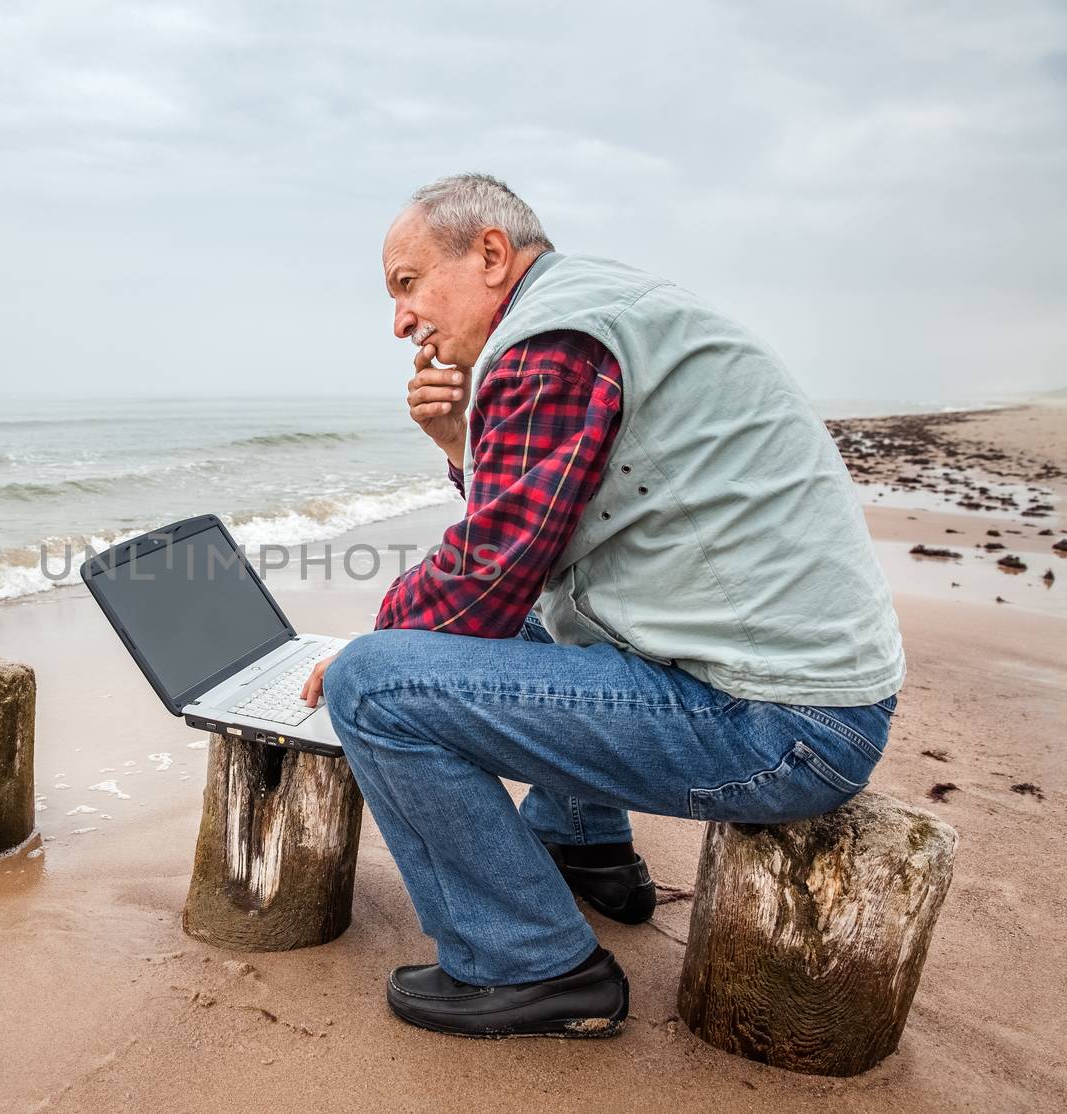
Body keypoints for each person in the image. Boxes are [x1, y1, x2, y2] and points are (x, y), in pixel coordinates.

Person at [299, 172, 904, 1039]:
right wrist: (459, 442)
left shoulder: (549, 341)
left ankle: (529, 963)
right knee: (532, 624)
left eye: (407, 283)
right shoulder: (591, 311)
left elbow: (488, 571)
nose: (400, 319)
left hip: (779, 725)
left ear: (493, 255)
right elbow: (544, 551)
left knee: (374, 686)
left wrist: (368, 656)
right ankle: (583, 844)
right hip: (802, 691)